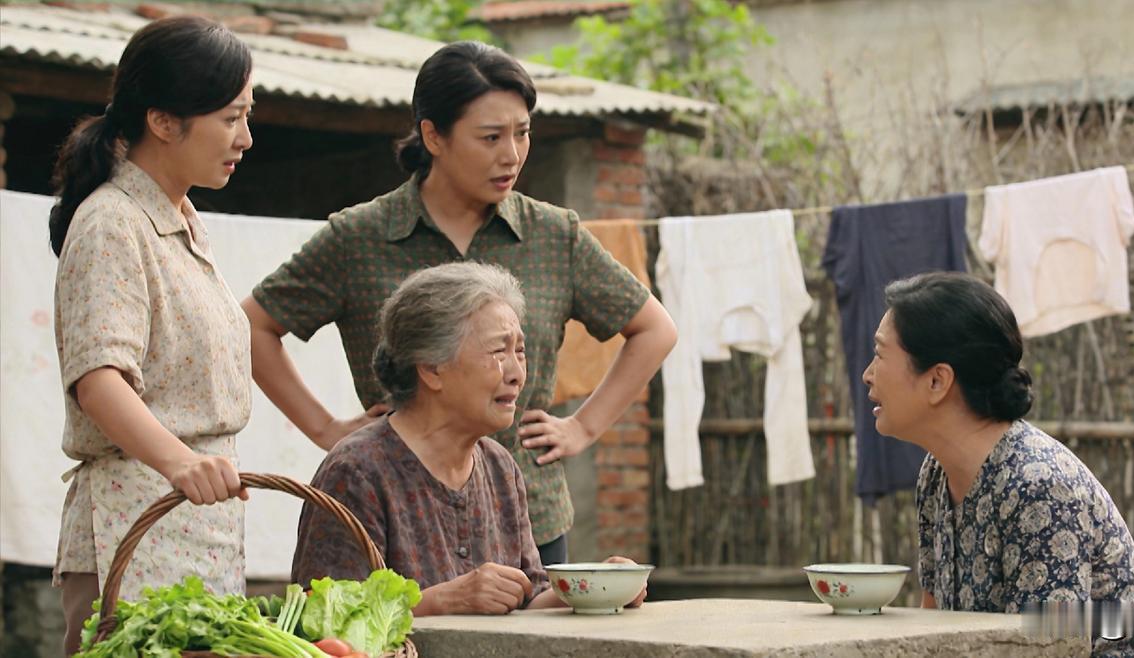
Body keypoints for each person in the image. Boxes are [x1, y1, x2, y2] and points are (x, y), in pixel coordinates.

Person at [244, 41, 676, 567]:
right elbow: (250, 326)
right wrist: (326, 429)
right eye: (490, 137)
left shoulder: (552, 234)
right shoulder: (359, 236)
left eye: (522, 133)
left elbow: (655, 329)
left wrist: (582, 426)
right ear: (433, 136)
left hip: (528, 519)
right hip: (397, 519)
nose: (511, 154)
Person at [47, 16, 257, 656]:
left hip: (196, 522)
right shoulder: (113, 222)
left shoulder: (179, 216)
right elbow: (98, 380)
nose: (245, 138)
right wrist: (181, 462)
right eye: (230, 118)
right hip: (132, 522)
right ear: (164, 121)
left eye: (247, 116)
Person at [292, 263, 646, 614]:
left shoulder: (499, 465)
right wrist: (440, 601)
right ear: (431, 368)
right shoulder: (356, 471)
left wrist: (601, 587)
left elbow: (530, 600)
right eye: (498, 351)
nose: (517, 373)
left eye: (519, 351)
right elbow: (319, 615)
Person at [863, 272, 1134, 657]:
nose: (868, 374)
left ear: (938, 381)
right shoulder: (936, 473)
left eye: (879, 354)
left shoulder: (1038, 483)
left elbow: (1051, 651)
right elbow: (934, 623)